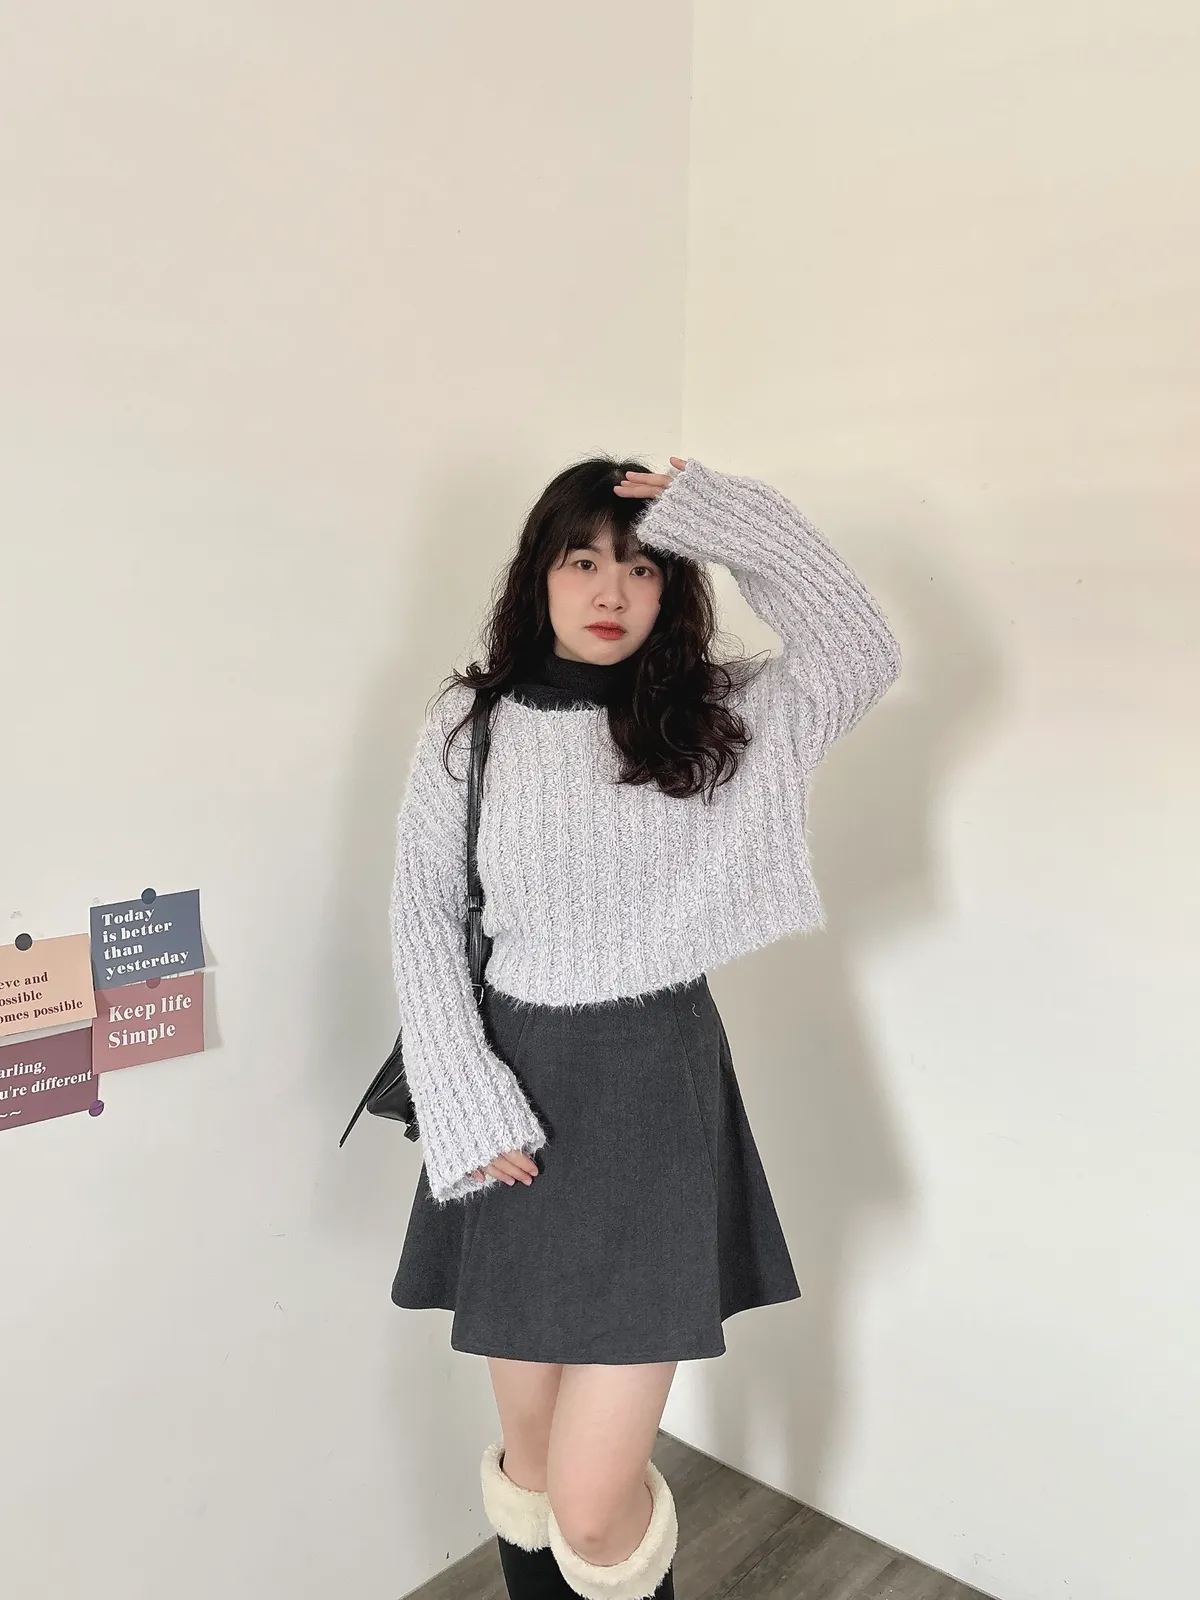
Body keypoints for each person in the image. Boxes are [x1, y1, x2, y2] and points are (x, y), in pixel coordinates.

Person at [386, 455, 902, 1600]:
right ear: (540, 576)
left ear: (676, 583)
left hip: (654, 1092)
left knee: (591, 1501)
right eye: (583, 561)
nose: (610, 589)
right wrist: (465, 1098)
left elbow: (863, 650)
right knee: (530, 1465)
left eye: (642, 564)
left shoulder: (718, 717)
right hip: (507, 1098)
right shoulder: (469, 724)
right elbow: (422, 914)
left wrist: (724, 512)